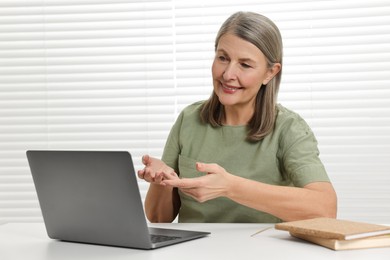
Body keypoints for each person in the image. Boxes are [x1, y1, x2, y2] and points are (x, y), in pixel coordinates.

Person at [137, 11, 337, 223]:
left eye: (245, 64)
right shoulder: (189, 119)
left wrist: (230, 187)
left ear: (270, 73)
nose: (228, 74)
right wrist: (161, 181)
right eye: (223, 58)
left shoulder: (288, 128)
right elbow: (158, 217)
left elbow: (325, 208)